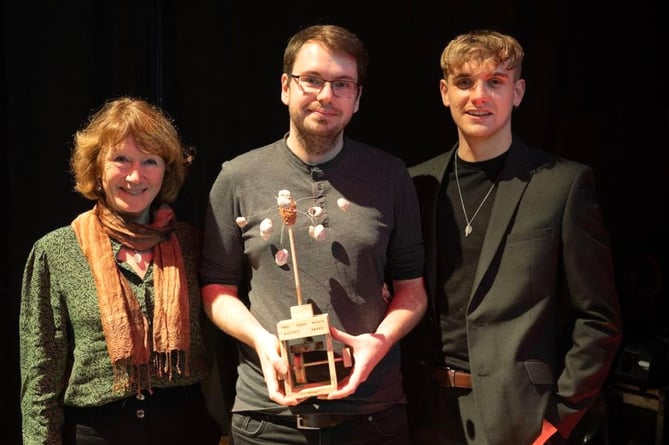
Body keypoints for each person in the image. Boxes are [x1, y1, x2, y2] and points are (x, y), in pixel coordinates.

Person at [199, 24, 427, 445]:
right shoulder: (237, 177)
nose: (326, 95)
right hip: (268, 419)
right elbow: (216, 289)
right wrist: (261, 341)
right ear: (286, 87)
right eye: (313, 80)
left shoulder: (391, 176)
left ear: (357, 98)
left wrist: (378, 341)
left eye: (342, 84)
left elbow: (412, 291)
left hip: (372, 417)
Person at [406, 30, 623, 445]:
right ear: (444, 91)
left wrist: (559, 420)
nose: (479, 96)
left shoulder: (563, 184)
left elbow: (599, 318)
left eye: (496, 82)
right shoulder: (416, 183)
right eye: (465, 82)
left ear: (518, 92)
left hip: (517, 419)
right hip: (420, 412)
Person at [19, 97, 222, 445]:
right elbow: (41, 373)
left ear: (167, 170)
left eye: (150, 161)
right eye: (121, 159)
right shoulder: (55, 251)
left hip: (186, 429)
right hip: (95, 433)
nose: (134, 175)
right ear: (97, 166)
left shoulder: (193, 244)